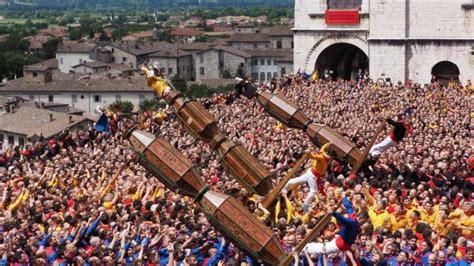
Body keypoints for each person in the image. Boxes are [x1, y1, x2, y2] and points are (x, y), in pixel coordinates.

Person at [283, 143, 335, 213]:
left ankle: (286, 185)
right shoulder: (322, 157)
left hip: (311, 172)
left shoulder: (324, 156)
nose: (331, 158)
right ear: (329, 155)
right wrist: (309, 152)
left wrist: (329, 143)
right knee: (313, 190)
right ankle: (305, 205)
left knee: (299, 180)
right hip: (313, 174)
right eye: (331, 157)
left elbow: (323, 146)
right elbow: (313, 157)